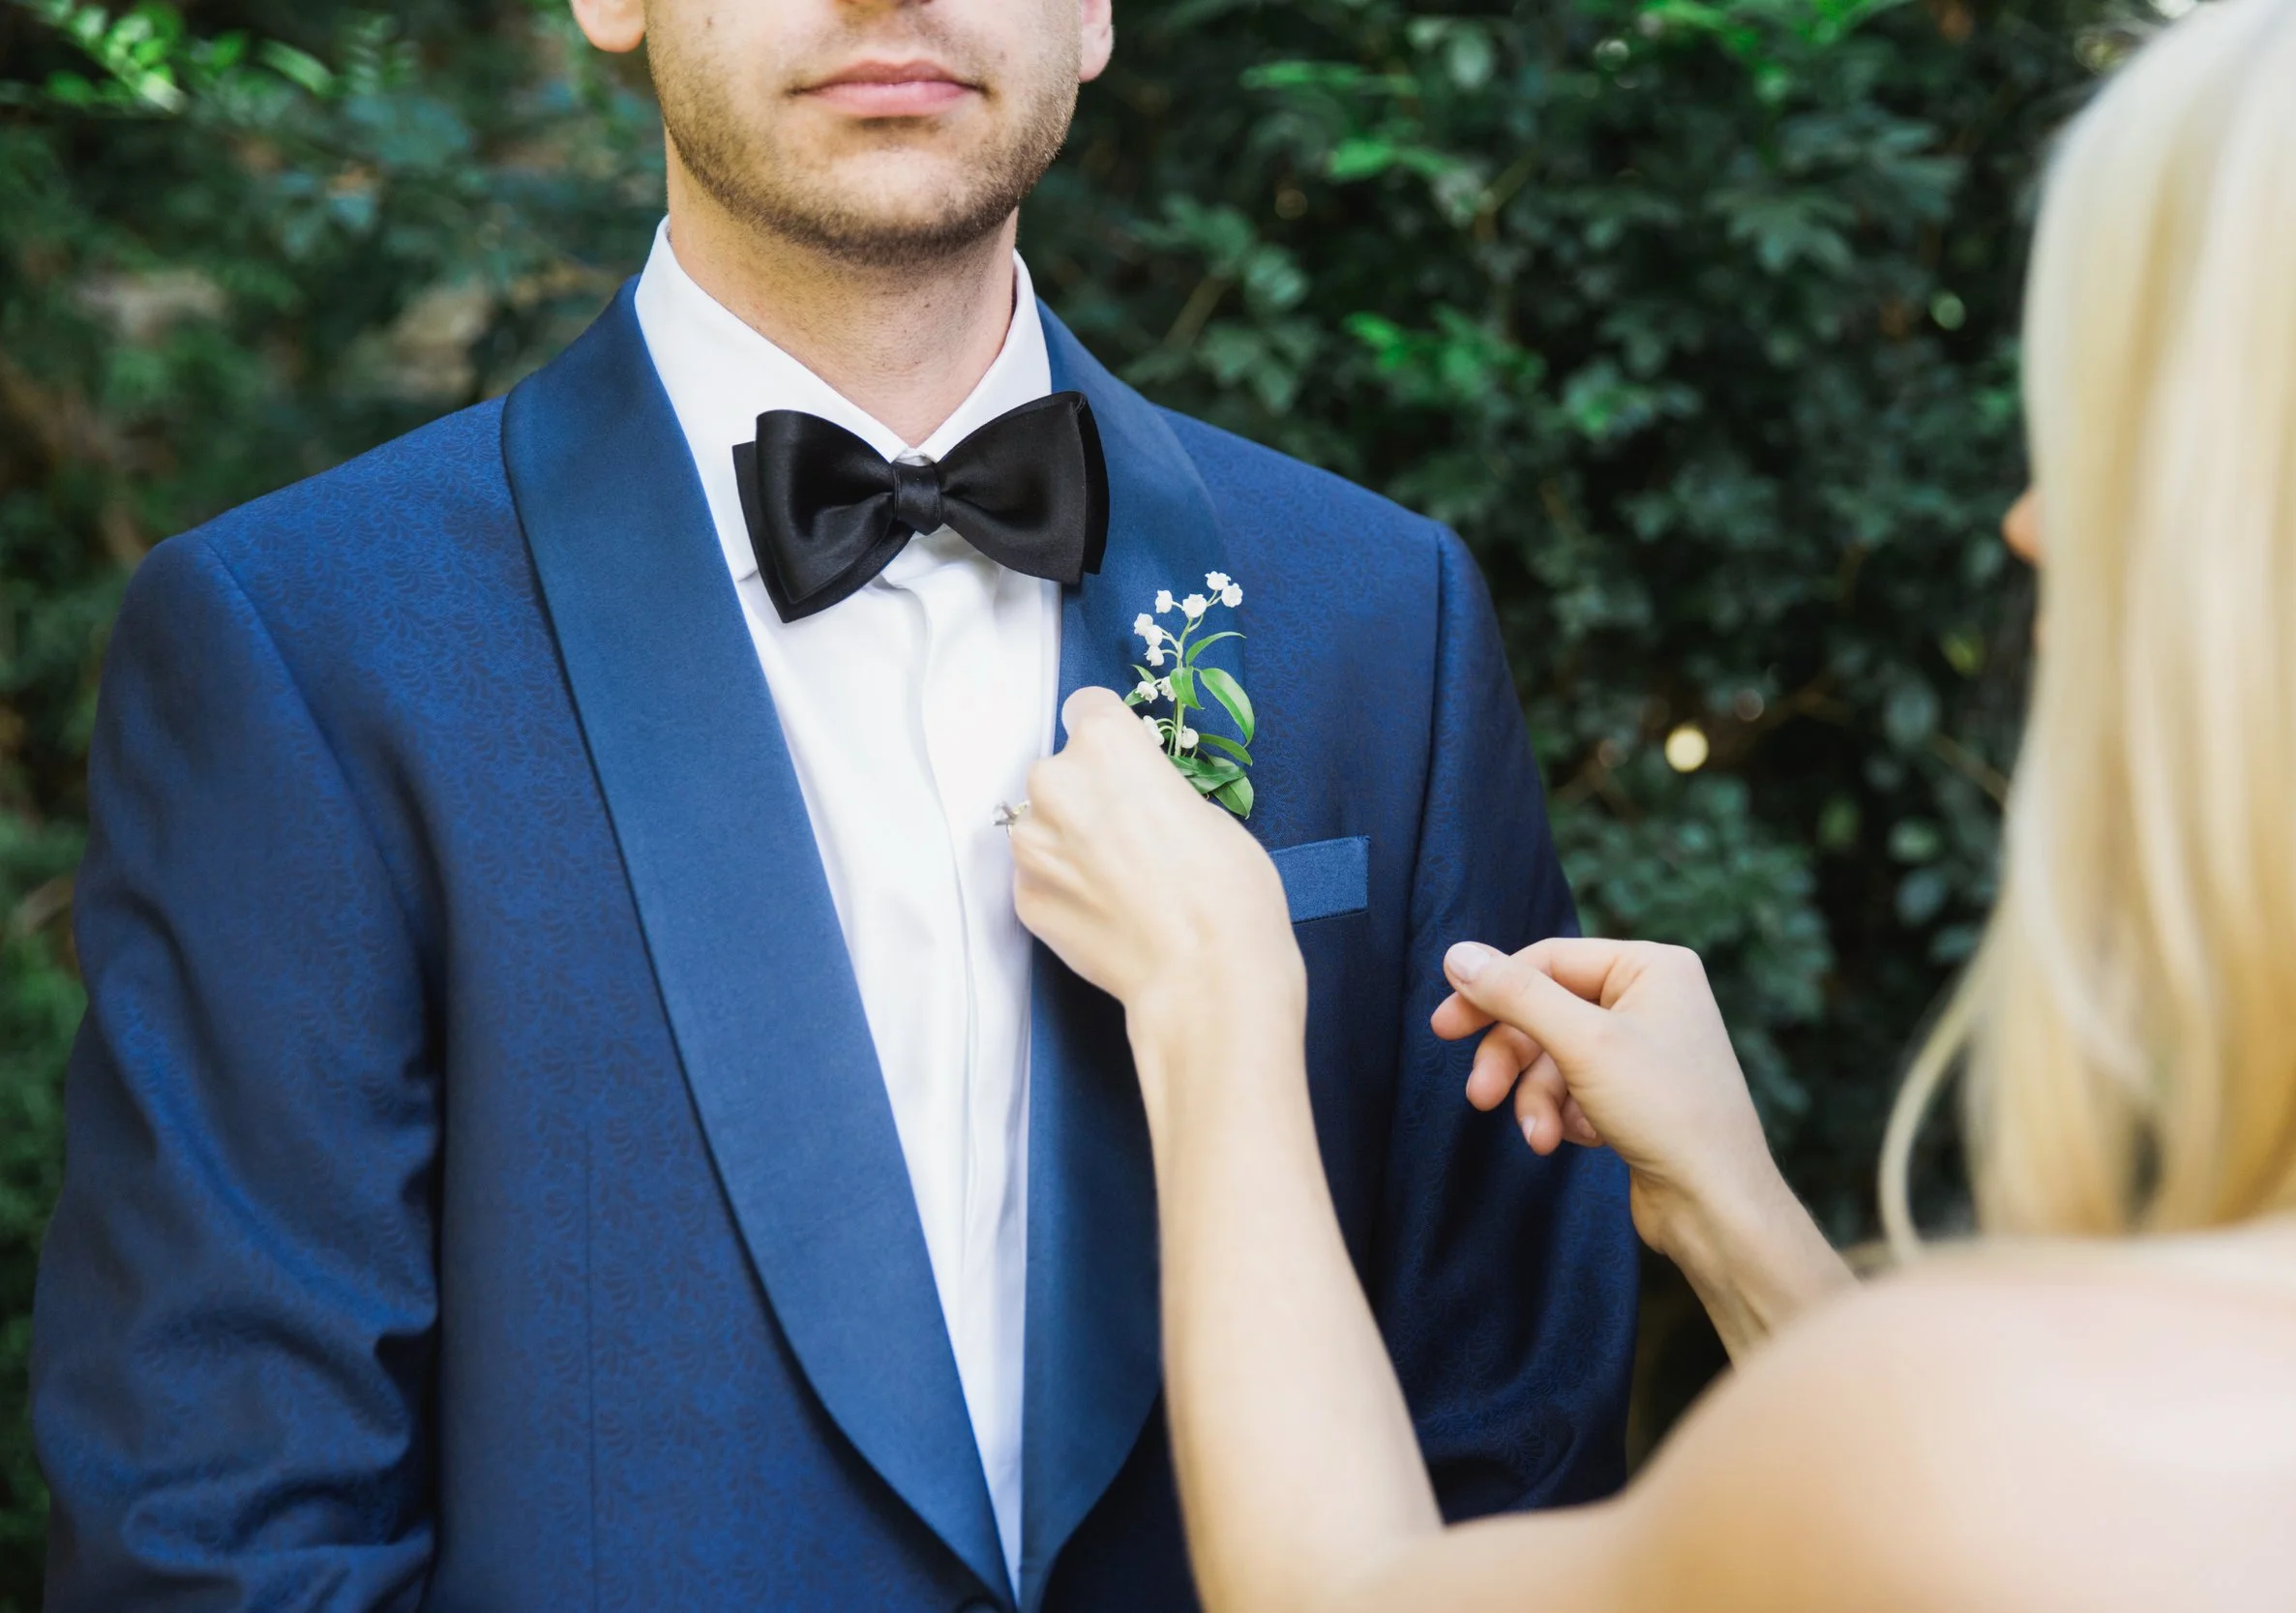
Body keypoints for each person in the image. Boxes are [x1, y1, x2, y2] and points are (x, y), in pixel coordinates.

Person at [27, 2, 1639, 1608]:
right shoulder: (303, 645)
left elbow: (1520, 1473)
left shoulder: (1384, 622)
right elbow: (222, 1551)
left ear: (1092, 12)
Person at [1005, 0, 2296, 1607]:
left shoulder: (2015, 1426)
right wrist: (1745, 1222)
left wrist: (1216, 1005)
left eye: (2114, 426)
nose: (2032, 519)